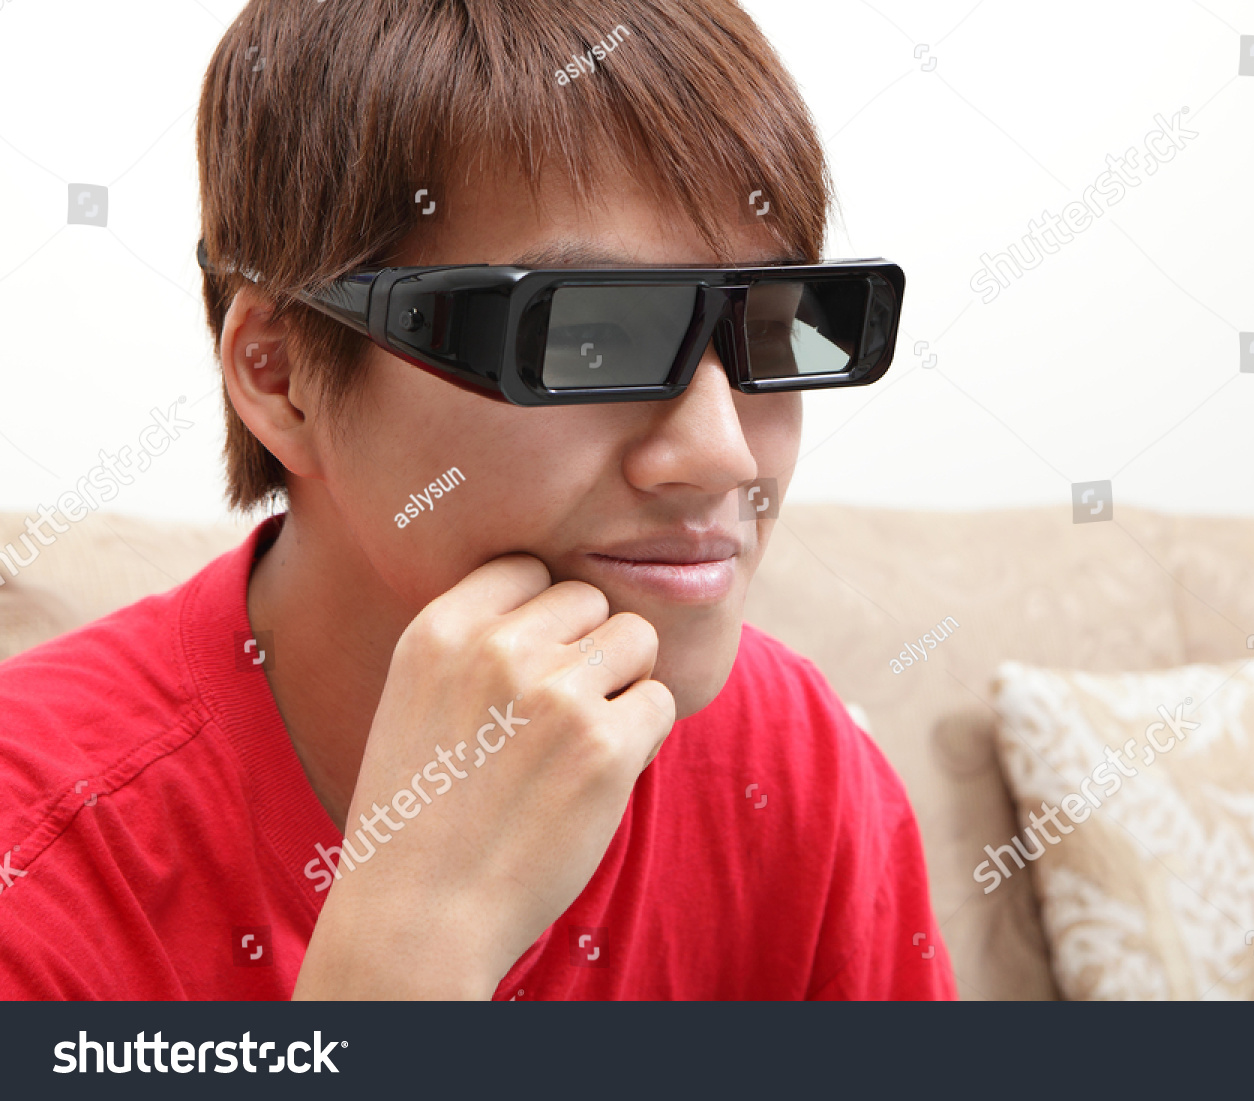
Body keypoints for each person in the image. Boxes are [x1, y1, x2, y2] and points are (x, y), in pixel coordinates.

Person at [0, 0, 954, 1000]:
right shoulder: (39, 851)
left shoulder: (791, 762)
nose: (722, 459)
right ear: (283, 377)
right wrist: (404, 954)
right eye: (587, 338)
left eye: (772, 326)